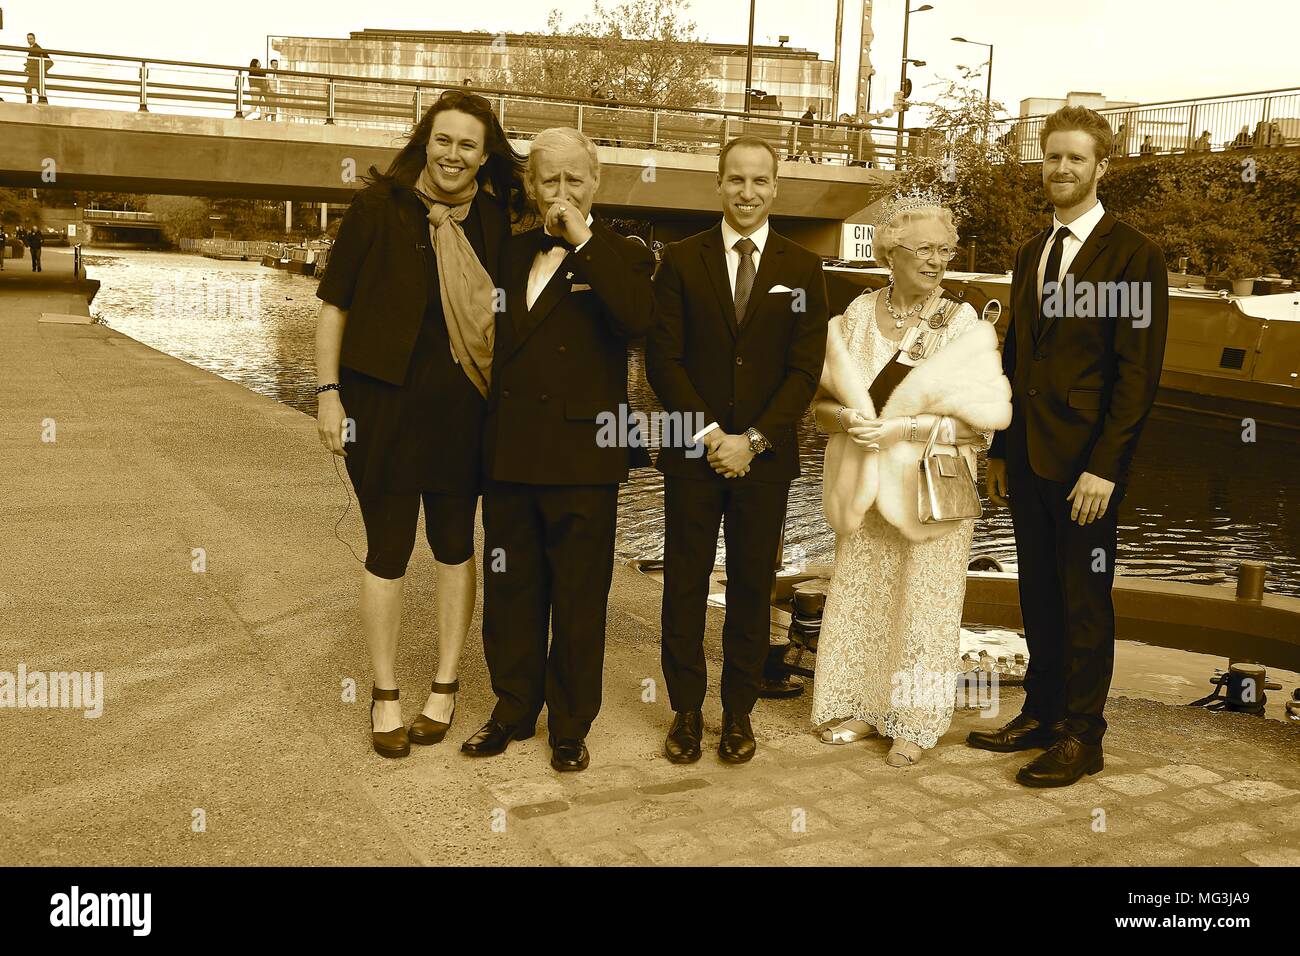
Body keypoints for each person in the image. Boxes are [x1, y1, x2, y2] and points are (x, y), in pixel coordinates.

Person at [314, 89, 526, 758]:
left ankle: (445, 684)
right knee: (386, 548)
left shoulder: (495, 220)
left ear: (484, 156)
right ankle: (384, 694)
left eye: (468, 144)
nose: (453, 154)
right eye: (443, 139)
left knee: (455, 545)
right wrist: (328, 394)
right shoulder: (378, 207)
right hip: (381, 407)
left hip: (464, 411)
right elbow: (335, 306)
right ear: (425, 141)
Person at [970, 106, 1169, 787]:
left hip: (1087, 465)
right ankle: (1042, 713)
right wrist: (1001, 448)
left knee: (1084, 599)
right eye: (1053, 156)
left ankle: (1084, 736)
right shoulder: (1032, 251)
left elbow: (1138, 374)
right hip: (1028, 456)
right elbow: (1017, 357)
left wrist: (1105, 468)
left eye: (1075, 158)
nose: (1061, 168)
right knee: (1038, 592)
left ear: (1100, 166)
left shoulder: (1135, 255)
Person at [461, 127, 655, 772]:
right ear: (530, 185)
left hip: (584, 459)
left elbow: (637, 320)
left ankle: (571, 725)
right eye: (550, 179)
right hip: (511, 453)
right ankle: (512, 709)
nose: (563, 190)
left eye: (575, 178)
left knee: (578, 599)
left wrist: (583, 243)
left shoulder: (623, 254)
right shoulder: (509, 252)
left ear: (596, 183)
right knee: (510, 590)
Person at [647, 135, 829, 765]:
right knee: (684, 584)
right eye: (736, 179)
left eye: (759, 181)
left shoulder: (802, 268)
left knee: (752, 587)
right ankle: (686, 710)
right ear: (718, 184)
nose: (747, 192)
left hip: (764, 460)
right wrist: (709, 436)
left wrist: (751, 440)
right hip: (693, 457)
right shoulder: (680, 260)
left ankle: (738, 711)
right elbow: (663, 360)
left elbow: (804, 370)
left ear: (775, 187)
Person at [810, 193, 1011, 766]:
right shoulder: (855, 315)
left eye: (944, 250)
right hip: (867, 479)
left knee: (926, 604)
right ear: (890, 252)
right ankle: (861, 705)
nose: (936, 261)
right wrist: (848, 420)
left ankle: (915, 722)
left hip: (931, 485)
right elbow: (820, 407)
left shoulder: (962, 321)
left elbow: (980, 422)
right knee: (866, 592)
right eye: (923, 249)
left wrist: (902, 427)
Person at [24, 34, 53, 104]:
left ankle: (30, 102)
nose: (29, 40)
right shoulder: (32, 48)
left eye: (31, 39)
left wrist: (41, 70)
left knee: (29, 87)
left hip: (36, 73)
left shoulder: (37, 48)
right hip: (34, 73)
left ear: (34, 39)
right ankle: (43, 102)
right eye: (28, 39)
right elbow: (34, 61)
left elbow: (50, 63)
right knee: (39, 89)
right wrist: (27, 66)